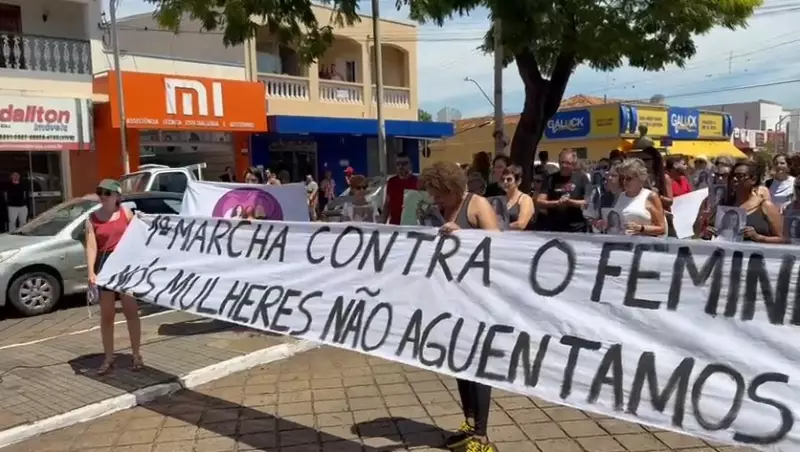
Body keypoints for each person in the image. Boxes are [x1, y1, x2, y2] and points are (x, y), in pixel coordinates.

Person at [419, 162, 499, 452]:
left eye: (438, 195)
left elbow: (499, 245)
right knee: (460, 363)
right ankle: (468, 421)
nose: (435, 200)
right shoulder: (442, 209)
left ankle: (482, 436)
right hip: (452, 299)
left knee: (478, 366)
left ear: (452, 189)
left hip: (478, 300)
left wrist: (462, 236)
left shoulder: (477, 205)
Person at [85, 179, 142, 375]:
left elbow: (140, 237)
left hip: (125, 268)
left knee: (131, 311)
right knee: (107, 316)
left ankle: (136, 355)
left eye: (107, 193)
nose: (103, 196)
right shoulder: (92, 218)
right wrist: (91, 272)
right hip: (105, 269)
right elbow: (92, 246)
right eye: (100, 191)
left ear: (117, 196)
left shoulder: (126, 213)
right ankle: (109, 357)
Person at [697, 159, 783, 243]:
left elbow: (783, 239)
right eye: (732, 176)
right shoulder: (723, 204)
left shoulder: (765, 206)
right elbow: (699, 232)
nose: (734, 179)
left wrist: (759, 237)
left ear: (753, 179)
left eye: (740, 176)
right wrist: (706, 234)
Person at [535, 149, 590, 232]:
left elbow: (589, 202)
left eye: (567, 163)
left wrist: (570, 202)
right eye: (561, 162)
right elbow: (539, 201)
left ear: (574, 164)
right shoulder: (550, 179)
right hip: (554, 228)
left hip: (577, 228)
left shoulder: (582, 178)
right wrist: (557, 203)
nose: (564, 165)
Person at [609, 158, 667, 237]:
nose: (625, 181)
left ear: (640, 178)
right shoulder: (621, 196)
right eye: (623, 178)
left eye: (629, 178)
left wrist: (640, 228)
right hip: (623, 245)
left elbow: (662, 229)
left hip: (645, 246)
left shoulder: (650, 196)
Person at [382, 152, 419, 225]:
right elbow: (387, 203)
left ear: (410, 164)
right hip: (394, 224)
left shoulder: (418, 181)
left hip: (411, 224)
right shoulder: (391, 181)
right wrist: (382, 223)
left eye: (404, 163)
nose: (400, 166)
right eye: (398, 164)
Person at [501, 165, 534, 230]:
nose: (505, 182)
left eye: (509, 179)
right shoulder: (501, 199)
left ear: (518, 181)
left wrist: (499, 227)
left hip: (522, 239)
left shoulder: (525, 199)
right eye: (503, 179)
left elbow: (521, 224)